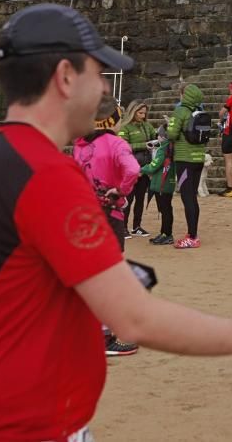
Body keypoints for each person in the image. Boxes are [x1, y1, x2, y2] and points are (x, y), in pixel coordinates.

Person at [0, 4, 232, 441]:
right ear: (65, 77)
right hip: (30, 424)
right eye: (98, 74)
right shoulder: (48, 175)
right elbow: (134, 320)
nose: (103, 91)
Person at [72, 95, 142, 357]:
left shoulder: (79, 145)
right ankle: (104, 336)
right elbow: (133, 170)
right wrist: (120, 190)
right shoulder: (116, 144)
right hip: (108, 213)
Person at [166, 82, 209, 249]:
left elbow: (172, 133)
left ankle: (192, 236)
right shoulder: (199, 112)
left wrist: (170, 125)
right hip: (198, 158)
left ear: (184, 95)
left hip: (185, 159)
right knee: (192, 197)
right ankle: (193, 233)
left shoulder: (180, 111)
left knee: (187, 196)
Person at [117, 99, 154, 237]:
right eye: (140, 113)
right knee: (128, 199)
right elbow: (123, 147)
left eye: (144, 113)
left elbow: (154, 138)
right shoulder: (124, 127)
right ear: (133, 112)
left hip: (145, 167)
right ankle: (123, 227)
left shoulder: (147, 125)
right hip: (130, 168)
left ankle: (137, 226)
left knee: (140, 199)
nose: (143, 116)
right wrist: (144, 145)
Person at [144, 125, 177, 246]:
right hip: (166, 184)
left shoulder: (164, 149)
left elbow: (153, 166)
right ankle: (164, 232)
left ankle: (167, 234)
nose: (157, 137)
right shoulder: (169, 148)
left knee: (165, 210)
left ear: (163, 136)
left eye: (159, 135)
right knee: (166, 209)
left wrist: (140, 169)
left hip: (162, 184)